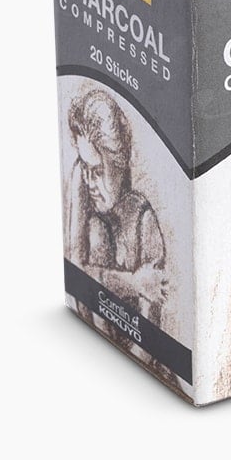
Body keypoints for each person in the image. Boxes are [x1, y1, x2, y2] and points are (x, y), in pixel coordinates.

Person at [65, 88, 167, 330]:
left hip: (135, 341)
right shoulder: (82, 177)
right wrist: (133, 282)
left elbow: (151, 324)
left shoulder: (143, 218)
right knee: (96, 231)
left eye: (98, 171)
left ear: (117, 164)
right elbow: (75, 271)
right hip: (90, 330)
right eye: (85, 168)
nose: (89, 182)